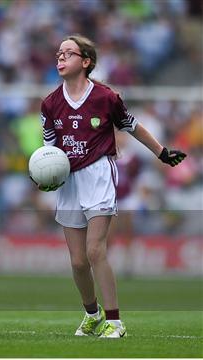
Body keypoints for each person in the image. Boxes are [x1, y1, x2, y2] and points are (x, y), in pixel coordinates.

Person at [38, 35, 186, 338]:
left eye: (68, 53)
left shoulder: (106, 97)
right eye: (58, 53)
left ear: (86, 61)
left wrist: (161, 152)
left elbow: (132, 126)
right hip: (68, 181)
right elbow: (48, 151)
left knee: (95, 251)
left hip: (98, 174)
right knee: (78, 261)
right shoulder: (50, 103)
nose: (61, 58)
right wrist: (43, 175)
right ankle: (93, 315)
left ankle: (116, 322)